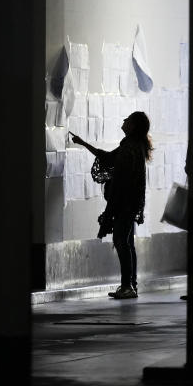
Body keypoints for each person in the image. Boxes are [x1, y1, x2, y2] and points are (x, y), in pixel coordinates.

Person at [70, 111, 152, 299]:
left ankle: (127, 286)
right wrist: (83, 143)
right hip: (130, 202)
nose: (123, 121)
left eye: (127, 119)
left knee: (121, 242)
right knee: (127, 243)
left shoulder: (130, 147)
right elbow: (107, 158)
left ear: (132, 126)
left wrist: (113, 203)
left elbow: (113, 167)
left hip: (124, 202)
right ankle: (130, 285)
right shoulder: (133, 146)